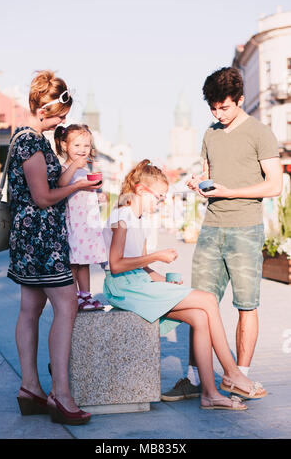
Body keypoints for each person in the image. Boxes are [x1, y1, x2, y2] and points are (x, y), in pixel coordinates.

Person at [102, 159, 267, 411]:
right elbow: (116, 265)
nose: (159, 203)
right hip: (123, 289)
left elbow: (142, 268)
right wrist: (156, 256)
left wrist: (165, 281)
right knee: (208, 300)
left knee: (200, 317)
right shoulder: (120, 216)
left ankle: (210, 394)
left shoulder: (139, 219)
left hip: (138, 284)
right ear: (140, 190)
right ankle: (231, 374)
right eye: (158, 197)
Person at [162, 66, 283, 401]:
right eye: (213, 108)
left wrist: (230, 192)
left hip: (245, 229)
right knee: (198, 305)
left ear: (240, 99)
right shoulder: (210, 134)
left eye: (224, 107)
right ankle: (192, 378)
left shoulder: (261, 133)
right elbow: (207, 174)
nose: (218, 114)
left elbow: (274, 185)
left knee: (247, 305)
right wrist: (198, 185)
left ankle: (238, 378)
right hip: (212, 228)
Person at [7, 70, 102, 425]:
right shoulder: (31, 141)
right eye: (61, 114)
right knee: (66, 305)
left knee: (30, 308)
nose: (64, 120)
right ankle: (60, 395)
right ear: (45, 108)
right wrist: (77, 188)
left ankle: (29, 387)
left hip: (29, 237)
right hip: (41, 239)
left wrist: (76, 170)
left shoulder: (28, 138)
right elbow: (43, 197)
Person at [55, 124, 107, 311]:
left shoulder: (86, 170)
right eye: (77, 146)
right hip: (72, 223)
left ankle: (86, 295)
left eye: (86, 146)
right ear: (64, 146)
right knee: (73, 263)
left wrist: (98, 195)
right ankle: (75, 296)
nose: (82, 150)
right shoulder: (64, 167)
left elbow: (86, 192)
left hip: (86, 223)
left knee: (83, 262)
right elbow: (61, 184)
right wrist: (75, 165)